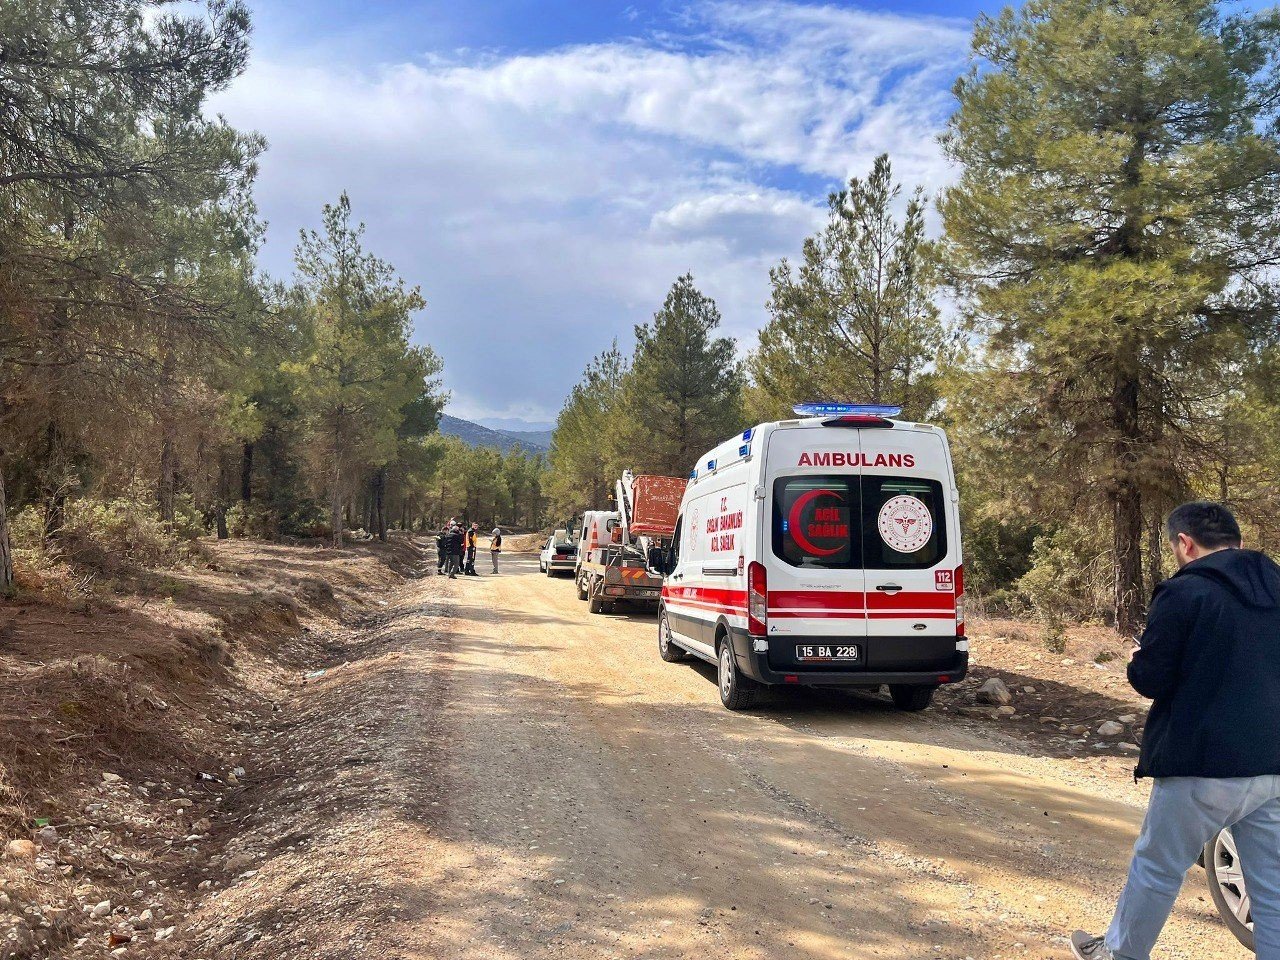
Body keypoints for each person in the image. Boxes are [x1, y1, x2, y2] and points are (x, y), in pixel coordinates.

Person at [1071, 501, 1280, 960]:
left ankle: (1119, 954)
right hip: (1272, 764)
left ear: (1184, 543)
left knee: (1158, 868)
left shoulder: (1185, 594)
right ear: (1238, 543)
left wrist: (1136, 661)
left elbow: (1151, 679)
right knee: (1272, 887)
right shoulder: (1276, 587)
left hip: (1200, 762)